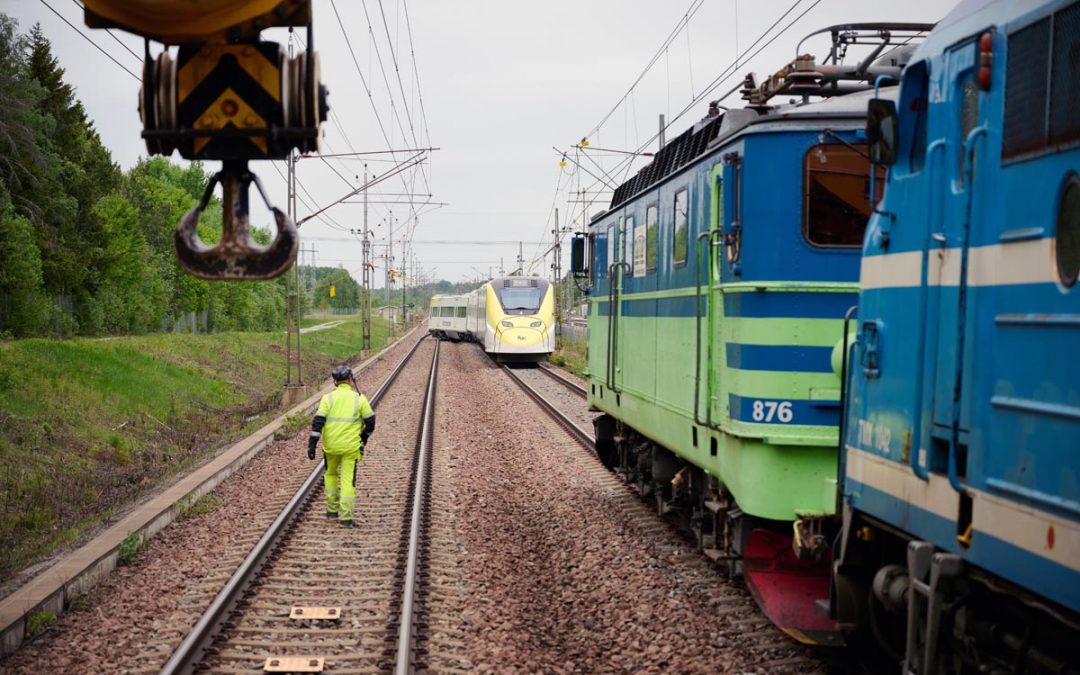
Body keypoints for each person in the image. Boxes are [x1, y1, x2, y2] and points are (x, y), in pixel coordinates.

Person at [308, 365, 376, 527]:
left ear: (335, 382)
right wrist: (364, 437)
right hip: (350, 448)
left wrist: (312, 445)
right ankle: (345, 517)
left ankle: (332, 510)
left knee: (330, 475)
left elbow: (317, 423)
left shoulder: (327, 398)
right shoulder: (359, 399)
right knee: (347, 480)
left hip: (330, 447)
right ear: (350, 380)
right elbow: (371, 421)